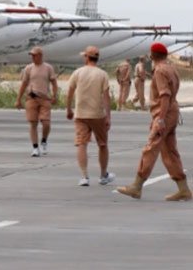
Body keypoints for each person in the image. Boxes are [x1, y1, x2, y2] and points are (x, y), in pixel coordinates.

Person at [117, 43, 190, 201]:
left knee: (150, 148)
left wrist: (161, 119)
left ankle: (137, 186)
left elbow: (164, 95)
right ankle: (183, 189)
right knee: (170, 152)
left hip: (164, 113)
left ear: (152, 55)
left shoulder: (160, 71)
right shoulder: (171, 68)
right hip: (172, 112)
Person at [65, 45, 114, 187]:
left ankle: (84, 176)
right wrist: (108, 116)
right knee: (103, 144)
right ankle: (103, 174)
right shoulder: (102, 74)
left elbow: (70, 92)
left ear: (87, 57)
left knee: (81, 143)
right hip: (97, 115)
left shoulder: (78, 72)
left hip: (80, 114)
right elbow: (106, 97)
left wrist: (68, 109)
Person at [15, 46, 58, 157]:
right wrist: (18, 99)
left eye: (34, 55)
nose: (32, 57)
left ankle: (44, 140)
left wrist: (54, 95)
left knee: (46, 123)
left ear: (40, 55)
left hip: (45, 98)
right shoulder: (28, 68)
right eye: (31, 55)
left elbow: (54, 83)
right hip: (31, 98)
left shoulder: (48, 68)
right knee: (33, 123)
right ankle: (35, 147)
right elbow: (24, 84)